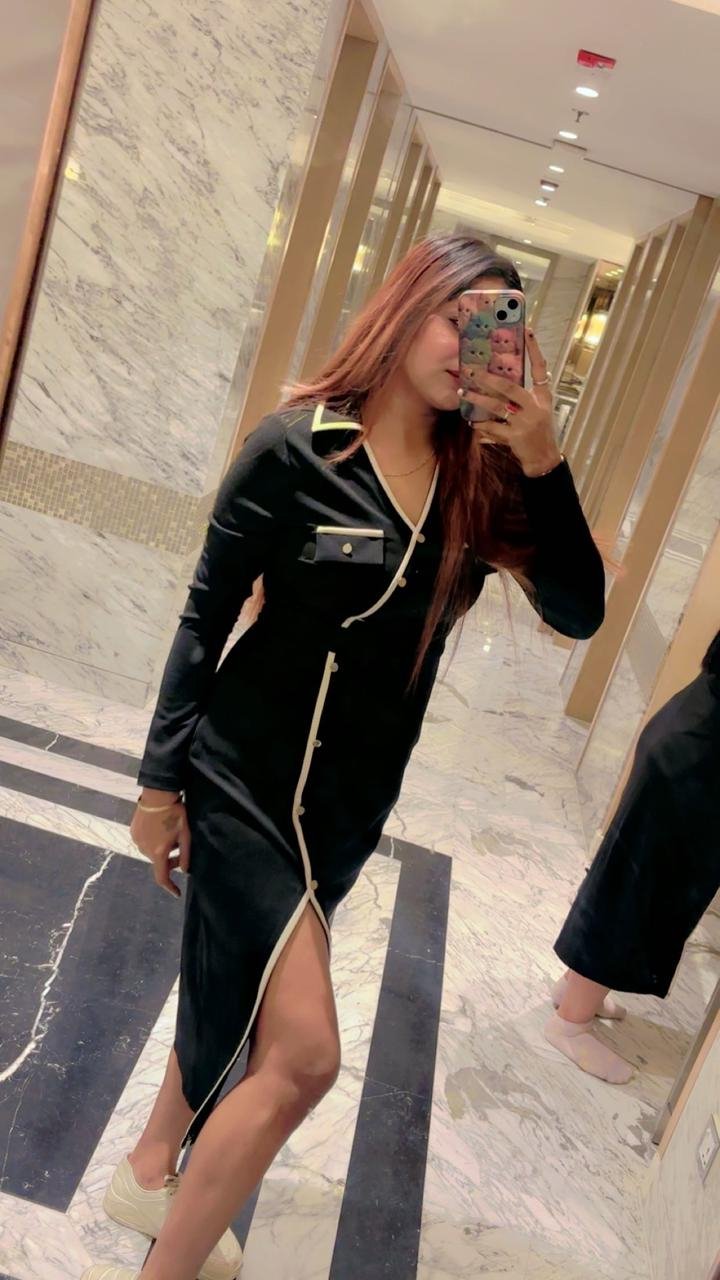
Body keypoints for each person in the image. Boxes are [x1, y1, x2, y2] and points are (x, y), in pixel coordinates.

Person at [83, 234, 605, 1280]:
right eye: (458, 317)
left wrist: (545, 458)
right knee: (306, 1055)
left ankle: (148, 1167)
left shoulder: (484, 479)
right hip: (244, 778)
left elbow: (579, 610)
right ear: (408, 310)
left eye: (497, 328)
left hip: (349, 802)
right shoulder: (299, 447)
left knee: (239, 984)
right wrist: (156, 784)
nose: (471, 346)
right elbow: (204, 616)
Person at [545, 627, 720, 1084]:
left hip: (691, 729)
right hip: (698, 758)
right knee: (638, 893)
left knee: (626, 879)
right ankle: (570, 1024)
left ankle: (575, 987)